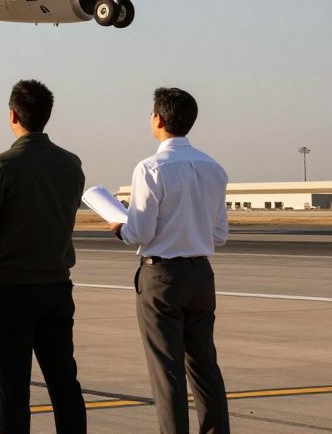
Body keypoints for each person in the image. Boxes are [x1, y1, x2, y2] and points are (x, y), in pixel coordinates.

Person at [0, 79, 87, 434]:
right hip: (57, 288)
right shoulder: (71, 164)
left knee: (14, 389)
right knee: (65, 383)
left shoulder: (2, 165)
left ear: (13, 115)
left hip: (12, 289)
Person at [109, 87, 230, 434]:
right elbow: (219, 236)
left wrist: (119, 227)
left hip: (161, 276)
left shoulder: (150, 168)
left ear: (158, 120)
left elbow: (140, 232)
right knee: (205, 367)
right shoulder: (214, 168)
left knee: (168, 374)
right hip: (201, 274)